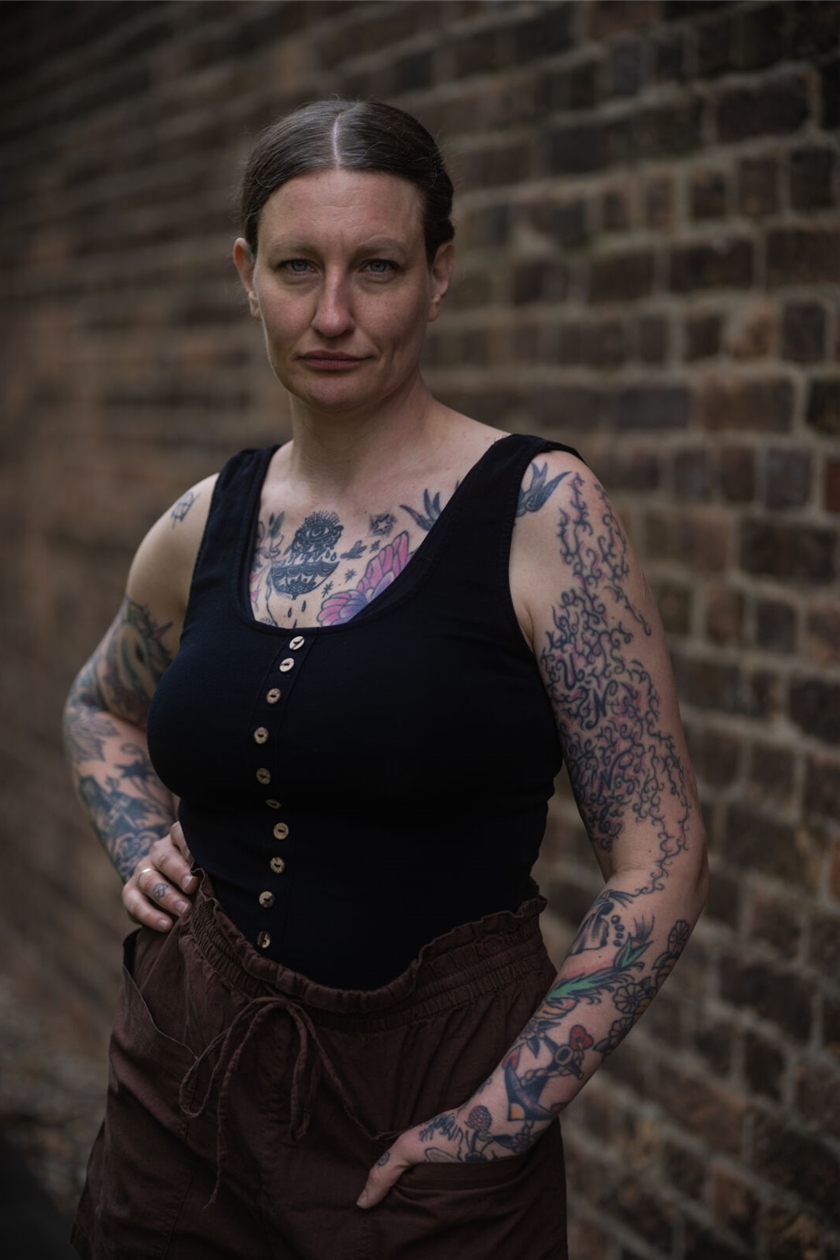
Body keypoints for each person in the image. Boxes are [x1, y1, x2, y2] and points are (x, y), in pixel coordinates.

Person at [63, 98, 707, 1260]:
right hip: (179, 1096)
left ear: (439, 274)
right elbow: (98, 704)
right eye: (297, 268)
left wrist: (504, 1117)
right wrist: (137, 842)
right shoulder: (203, 521)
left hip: (422, 1116)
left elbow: (660, 854)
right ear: (246, 276)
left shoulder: (542, 512)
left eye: (378, 267)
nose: (333, 315)